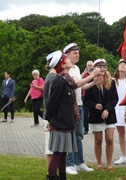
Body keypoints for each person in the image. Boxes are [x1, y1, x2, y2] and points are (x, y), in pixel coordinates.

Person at [63, 43, 96, 175]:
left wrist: (94, 82)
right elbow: (75, 84)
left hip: (79, 104)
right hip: (70, 105)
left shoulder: (76, 68)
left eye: (78, 53)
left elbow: (80, 87)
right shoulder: (66, 68)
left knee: (79, 135)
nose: (77, 55)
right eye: (74, 53)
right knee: (71, 135)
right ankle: (69, 164)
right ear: (67, 54)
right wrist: (92, 75)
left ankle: (79, 162)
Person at [45, 50, 78, 180]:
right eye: (67, 59)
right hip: (59, 123)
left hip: (67, 122)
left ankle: (62, 177)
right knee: (57, 153)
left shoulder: (67, 80)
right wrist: (51, 122)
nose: (70, 59)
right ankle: (52, 177)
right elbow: (51, 104)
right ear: (63, 64)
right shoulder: (59, 81)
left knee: (63, 153)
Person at [84, 59, 118, 172]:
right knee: (98, 140)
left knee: (110, 139)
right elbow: (86, 100)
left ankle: (109, 164)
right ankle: (99, 163)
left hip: (109, 114)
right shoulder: (91, 82)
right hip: (95, 115)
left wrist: (107, 109)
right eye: (99, 66)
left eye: (104, 66)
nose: (102, 68)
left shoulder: (111, 82)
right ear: (95, 68)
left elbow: (114, 99)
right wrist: (94, 105)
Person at [42, 51, 58, 179]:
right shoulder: (52, 77)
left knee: (53, 148)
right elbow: (50, 101)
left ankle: (52, 173)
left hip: (51, 116)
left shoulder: (53, 77)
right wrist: (50, 120)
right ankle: (50, 174)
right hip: (50, 117)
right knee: (50, 149)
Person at [113, 59, 126, 165]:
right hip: (117, 109)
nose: (123, 66)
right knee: (121, 134)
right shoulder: (114, 80)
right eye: (121, 65)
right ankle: (124, 156)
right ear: (118, 68)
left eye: (125, 65)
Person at [81, 60, 94, 135]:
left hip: (94, 95)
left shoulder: (95, 73)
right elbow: (79, 80)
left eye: (91, 65)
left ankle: (93, 128)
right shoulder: (84, 74)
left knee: (93, 112)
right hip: (85, 95)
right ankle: (86, 128)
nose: (90, 67)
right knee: (85, 113)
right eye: (89, 65)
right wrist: (84, 73)